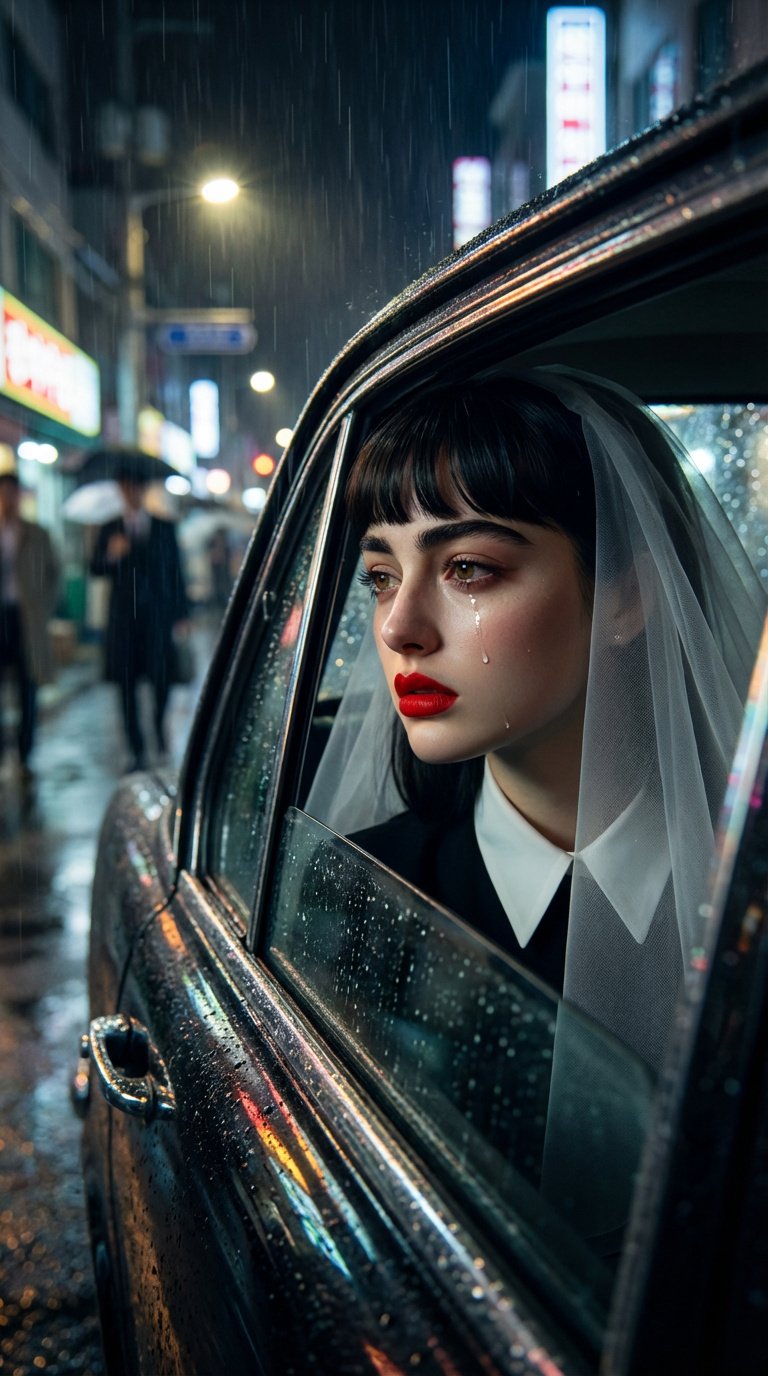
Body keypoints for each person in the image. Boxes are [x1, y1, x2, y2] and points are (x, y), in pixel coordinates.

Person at [306, 371, 765, 1076]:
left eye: (467, 568)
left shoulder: (745, 900)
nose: (400, 628)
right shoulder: (360, 891)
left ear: (627, 596)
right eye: (381, 577)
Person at [90, 471, 189, 771]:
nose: (130, 492)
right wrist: (112, 554)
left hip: (156, 618)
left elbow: (176, 573)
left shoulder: (163, 527)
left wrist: (182, 614)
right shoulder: (110, 529)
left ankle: (158, 731)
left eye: (136, 486)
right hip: (123, 621)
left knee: (161, 681)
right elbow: (95, 569)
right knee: (126, 686)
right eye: (126, 486)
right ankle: (136, 748)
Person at [0, 461, 60, 779]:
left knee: (27, 687)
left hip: (25, 620)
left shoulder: (36, 534)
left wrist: (42, 609)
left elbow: (54, 574)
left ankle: (25, 753)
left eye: (12, 493)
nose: (8, 499)